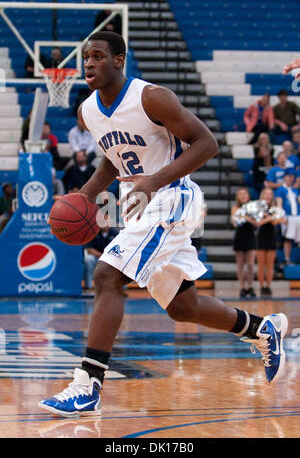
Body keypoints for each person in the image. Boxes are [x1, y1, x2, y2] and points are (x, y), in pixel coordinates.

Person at [39, 31, 288, 417]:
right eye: (86, 58)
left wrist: (155, 181)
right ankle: (260, 329)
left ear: (119, 60)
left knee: (107, 276)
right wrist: (85, 196)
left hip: (173, 197)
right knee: (182, 306)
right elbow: (112, 158)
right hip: (140, 205)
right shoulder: (87, 111)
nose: (89, 64)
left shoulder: (151, 97)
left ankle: (86, 385)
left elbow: (206, 143)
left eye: (98, 56)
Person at [246, 188, 285, 297]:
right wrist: (271, 218)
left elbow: (277, 221)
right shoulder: (257, 208)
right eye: (266, 194)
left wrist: (268, 217)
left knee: (270, 264)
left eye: (270, 194)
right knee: (261, 265)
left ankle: (268, 285)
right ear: (262, 196)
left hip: (272, 237)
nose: (268, 196)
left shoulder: (275, 208)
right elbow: (258, 223)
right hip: (261, 237)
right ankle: (262, 286)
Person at [231, 188, 257, 299]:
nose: (243, 196)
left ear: (248, 195)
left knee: (250, 264)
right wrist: (239, 217)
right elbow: (234, 223)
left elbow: (257, 223)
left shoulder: (253, 207)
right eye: (240, 194)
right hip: (240, 236)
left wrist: (246, 217)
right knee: (240, 264)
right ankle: (242, 287)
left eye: (244, 194)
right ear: (238, 197)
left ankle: (250, 286)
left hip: (250, 235)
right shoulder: (235, 208)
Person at [275, 168, 300, 266]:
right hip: (288, 216)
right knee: (288, 239)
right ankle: (287, 258)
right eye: (289, 176)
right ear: (285, 177)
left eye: (292, 177)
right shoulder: (281, 189)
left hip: (297, 216)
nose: (291, 178)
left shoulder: (294, 190)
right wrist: (282, 217)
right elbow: (279, 204)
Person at [83, 224, 118, 291]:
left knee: (120, 260)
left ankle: (118, 288)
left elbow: (119, 249)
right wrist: (102, 256)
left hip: (110, 259)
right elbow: (89, 249)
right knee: (88, 259)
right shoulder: (93, 232)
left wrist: (109, 257)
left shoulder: (114, 233)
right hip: (97, 258)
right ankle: (88, 286)